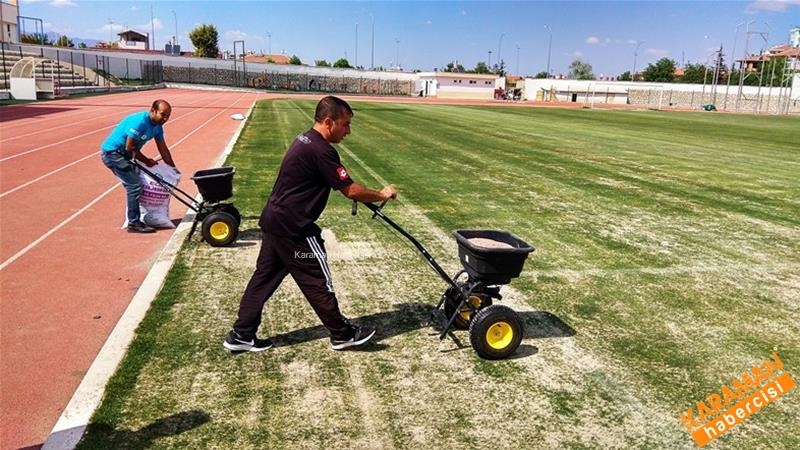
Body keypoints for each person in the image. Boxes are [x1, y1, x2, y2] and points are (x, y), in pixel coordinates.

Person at [223, 96, 397, 353]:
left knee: (263, 279)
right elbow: (350, 190)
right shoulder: (321, 150)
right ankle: (342, 333)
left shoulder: (303, 139)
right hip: (294, 229)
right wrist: (382, 194)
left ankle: (241, 334)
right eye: (345, 124)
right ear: (329, 122)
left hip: (274, 222)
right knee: (317, 279)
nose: (348, 131)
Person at [100, 99, 177, 233]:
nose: (165, 118)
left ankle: (140, 216)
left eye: (168, 116)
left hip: (126, 154)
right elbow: (129, 147)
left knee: (142, 181)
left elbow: (163, 149)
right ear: (153, 110)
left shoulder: (157, 127)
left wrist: (173, 169)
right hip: (114, 154)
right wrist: (147, 160)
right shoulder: (140, 122)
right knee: (134, 185)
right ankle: (134, 223)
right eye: (163, 114)